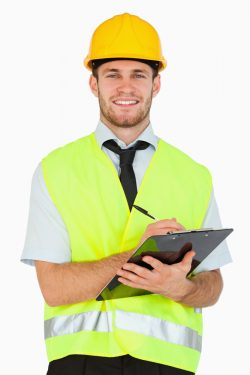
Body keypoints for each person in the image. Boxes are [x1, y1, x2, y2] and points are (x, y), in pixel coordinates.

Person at [21, 13, 231, 375]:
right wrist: (134, 258)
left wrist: (182, 288)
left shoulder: (195, 175)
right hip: (81, 362)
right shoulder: (54, 170)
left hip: (168, 365)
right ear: (93, 83)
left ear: (156, 84)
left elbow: (212, 284)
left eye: (138, 75)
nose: (126, 88)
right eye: (112, 75)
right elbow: (53, 288)